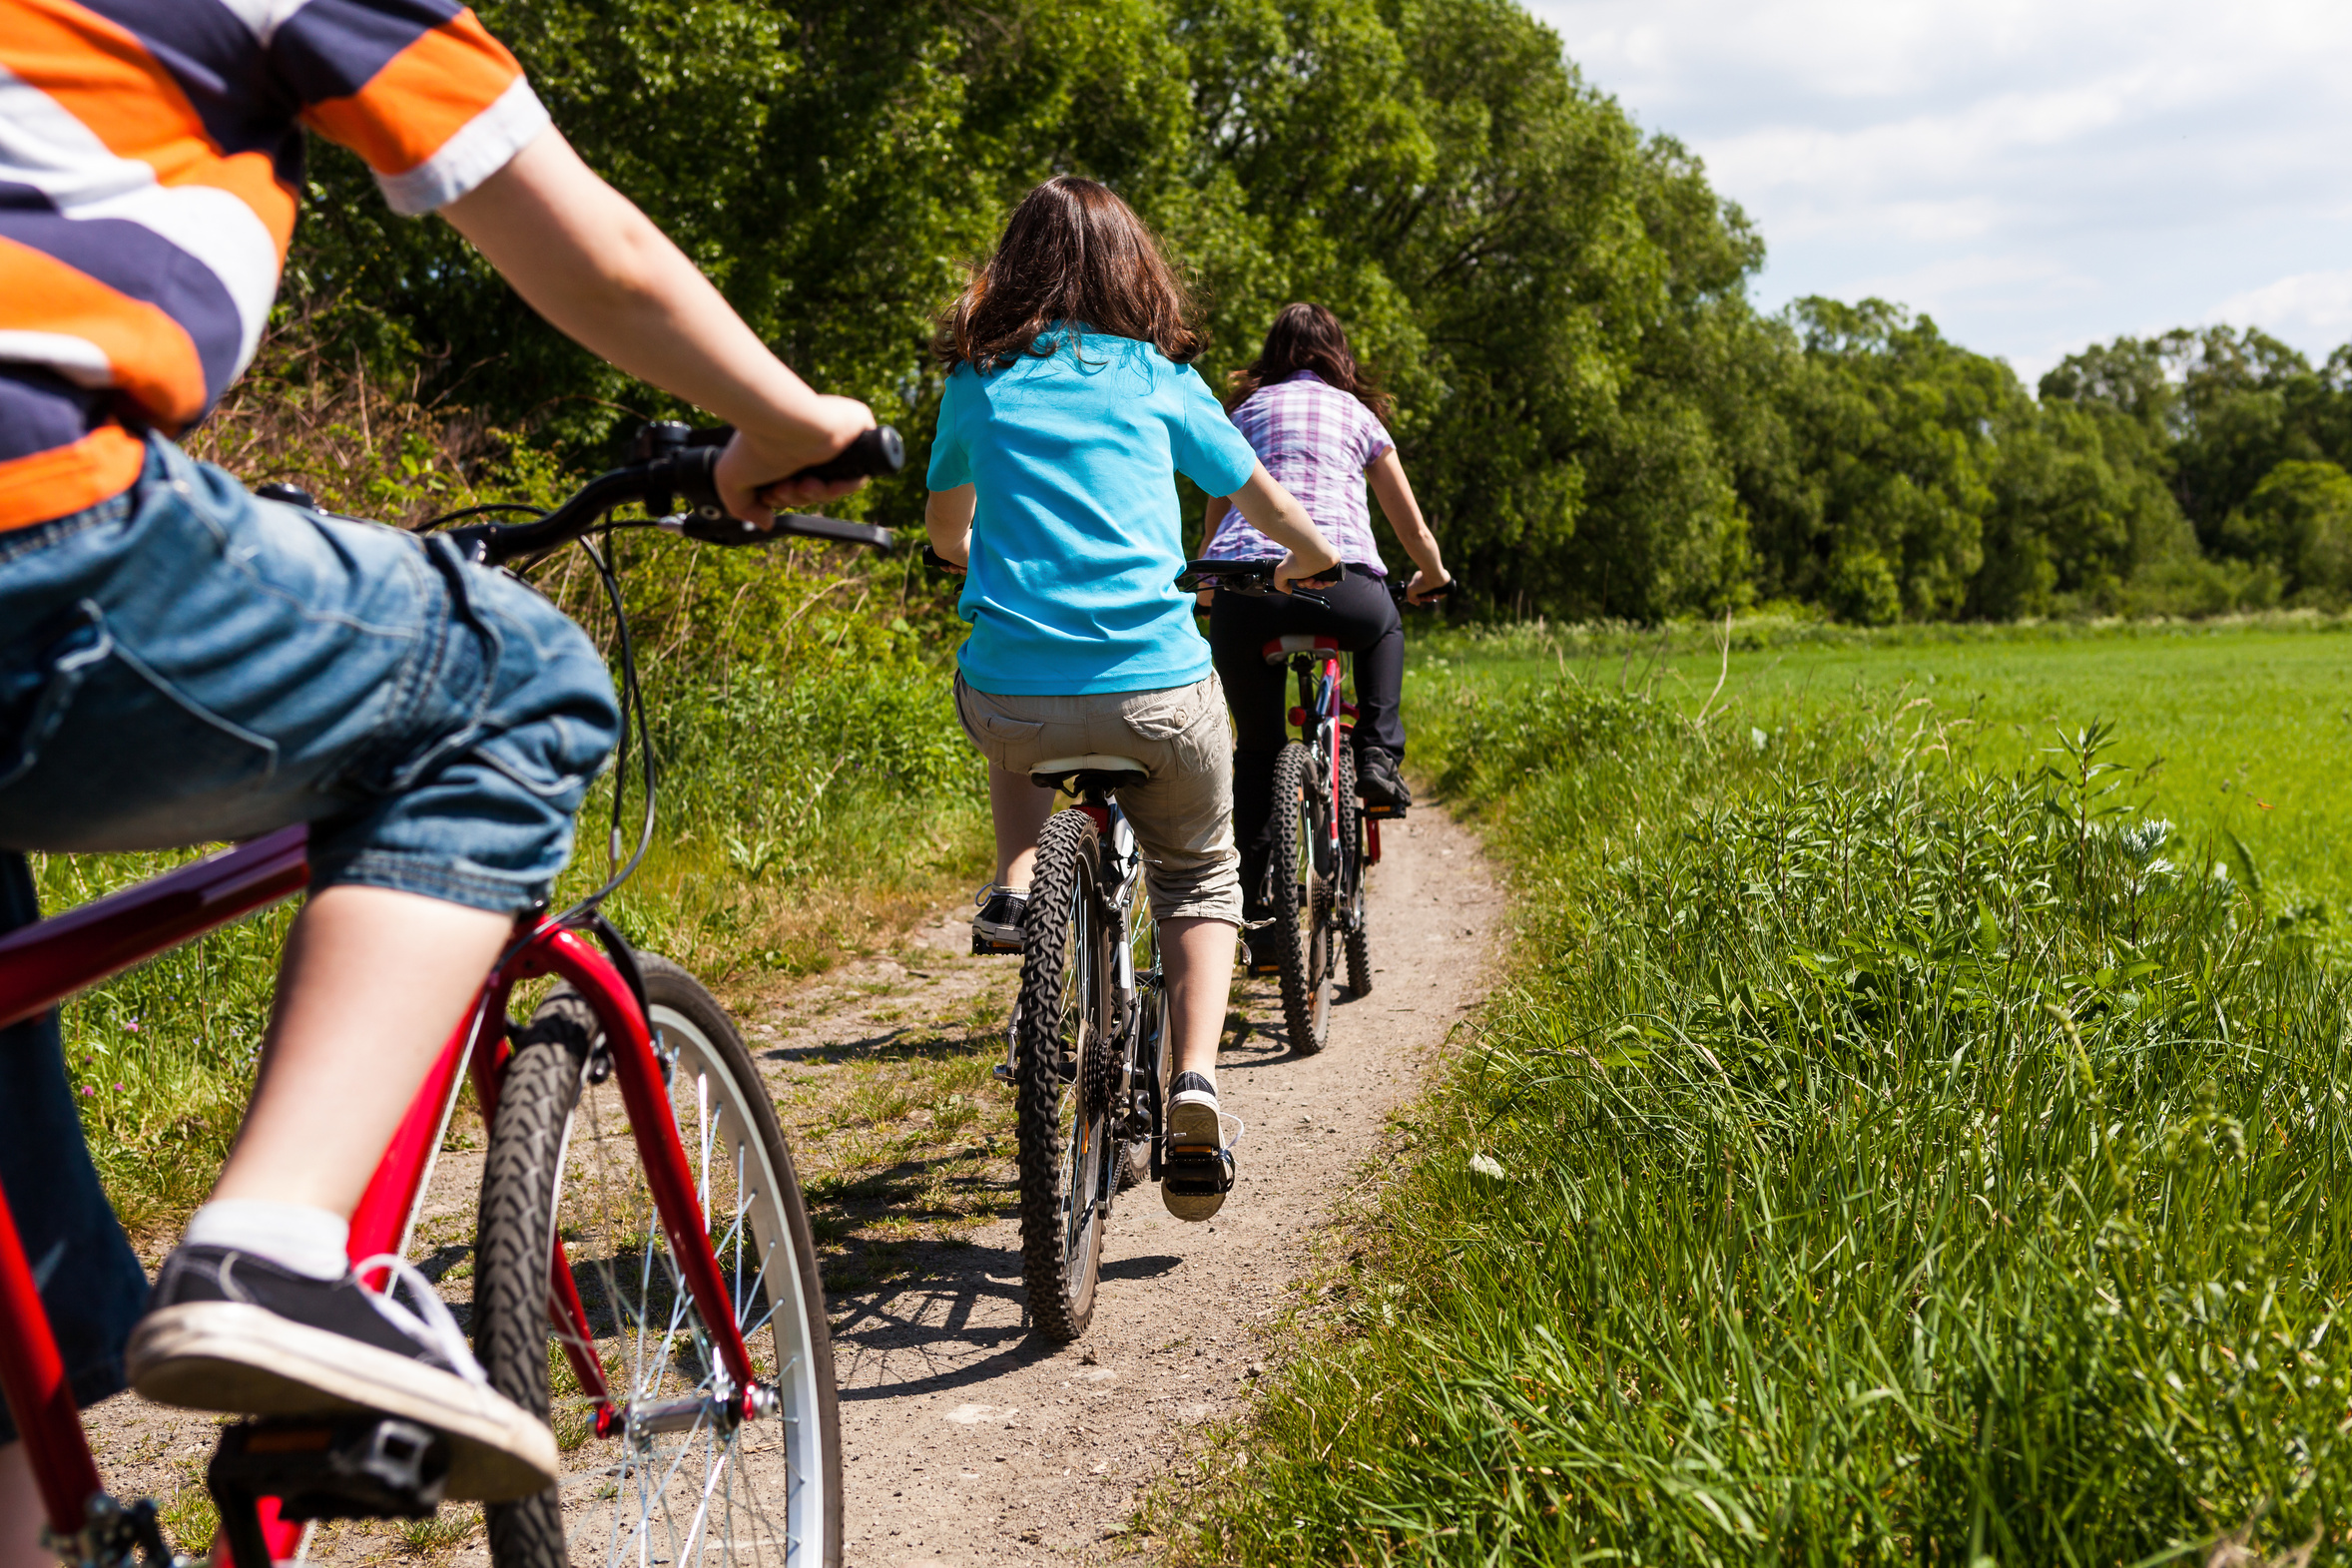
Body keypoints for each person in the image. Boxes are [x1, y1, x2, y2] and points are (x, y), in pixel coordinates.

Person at [0, 0, 875, 1542]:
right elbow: (585, 244)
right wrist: (779, 419)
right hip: (34, 523)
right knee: (512, 682)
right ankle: (276, 1247)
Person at [925, 178, 1338, 1218]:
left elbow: (942, 533)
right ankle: (1194, 1077)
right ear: (1131, 268)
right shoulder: (1161, 378)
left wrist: (983, 558)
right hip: (1156, 690)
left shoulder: (979, 381)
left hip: (1017, 695)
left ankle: (1018, 879)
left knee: (1004, 693)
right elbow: (1260, 497)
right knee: (1199, 873)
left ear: (1012, 267)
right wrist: (1309, 555)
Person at [1197, 302, 1449, 972]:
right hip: (1343, 586)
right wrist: (1432, 572)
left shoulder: (1242, 414)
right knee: (1384, 624)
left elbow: (1216, 516)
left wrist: (1204, 590)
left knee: (1256, 753)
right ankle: (1375, 758)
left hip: (1247, 589)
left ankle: (1258, 926)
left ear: (1272, 354)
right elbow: (1409, 523)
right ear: (1340, 356)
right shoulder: (1359, 416)